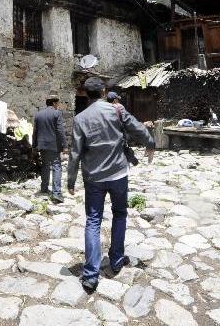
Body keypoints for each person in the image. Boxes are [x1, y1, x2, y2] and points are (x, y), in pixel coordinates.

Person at [68, 77, 155, 291]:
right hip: (118, 174)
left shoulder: (80, 119)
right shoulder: (117, 110)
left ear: (85, 93)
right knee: (120, 214)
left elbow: (75, 153)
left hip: (94, 178)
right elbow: (137, 128)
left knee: (93, 221)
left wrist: (70, 180)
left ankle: (90, 275)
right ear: (105, 91)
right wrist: (151, 143)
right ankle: (116, 259)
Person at [32, 94, 67, 203]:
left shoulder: (38, 115)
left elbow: (35, 132)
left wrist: (34, 146)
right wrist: (65, 145)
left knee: (45, 166)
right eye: (57, 103)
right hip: (54, 146)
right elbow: (60, 131)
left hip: (42, 146)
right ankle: (56, 193)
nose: (58, 106)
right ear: (54, 103)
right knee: (56, 167)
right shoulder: (57, 113)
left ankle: (44, 188)